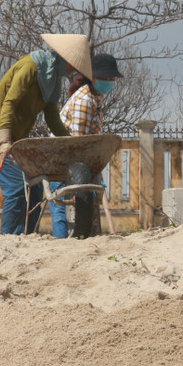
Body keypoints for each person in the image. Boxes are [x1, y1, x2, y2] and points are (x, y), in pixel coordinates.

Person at [0, 33, 92, 234]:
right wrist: (4, 141)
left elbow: (53, 120)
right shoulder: (31, 66)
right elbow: (10, 103)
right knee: (15, 188)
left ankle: (27, 237)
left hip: (16, 139)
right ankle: (8, 240)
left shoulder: (53, 80)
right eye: (71, 65)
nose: (72, 71)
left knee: (36, 187)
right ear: (62, 58)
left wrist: (73, 145)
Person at [50, 53, 123, 238]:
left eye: (111, 79)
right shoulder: (84, 100)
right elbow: (78, 141)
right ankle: (61, 243)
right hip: (61, 157)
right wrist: (86, 174)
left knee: (81, 207)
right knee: (61, 207)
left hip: (77, 160)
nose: (109, 82)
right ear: (93, 78)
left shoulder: (96, 97)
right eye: (104, 78)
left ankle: (79, 239)